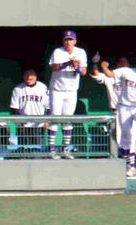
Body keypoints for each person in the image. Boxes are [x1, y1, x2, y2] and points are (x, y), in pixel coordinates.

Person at [47, 30, 88, 159]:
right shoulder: (58, 52)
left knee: (68, 119)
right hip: (57, 90)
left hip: (71, 91)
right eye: (66, 39)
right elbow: (54, 67)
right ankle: (51, 149)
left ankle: (66, 149)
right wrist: (67, 63)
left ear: (75, 41)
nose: (68, 42)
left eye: (70, 39)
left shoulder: (80, 52)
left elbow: (84, 72)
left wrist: (76, 66)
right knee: (55, 119)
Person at [10, 68, 51, 153]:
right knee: (24, 151)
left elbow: (49, 107)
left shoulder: (42, 87)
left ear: (36, 76)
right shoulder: (18, 89)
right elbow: (14, 108)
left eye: (31, 75)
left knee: (38, 151)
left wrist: (47, 120)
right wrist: (19, 121)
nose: (29, 77)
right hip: (23, 125)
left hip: (38, 125)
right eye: (26, 75)